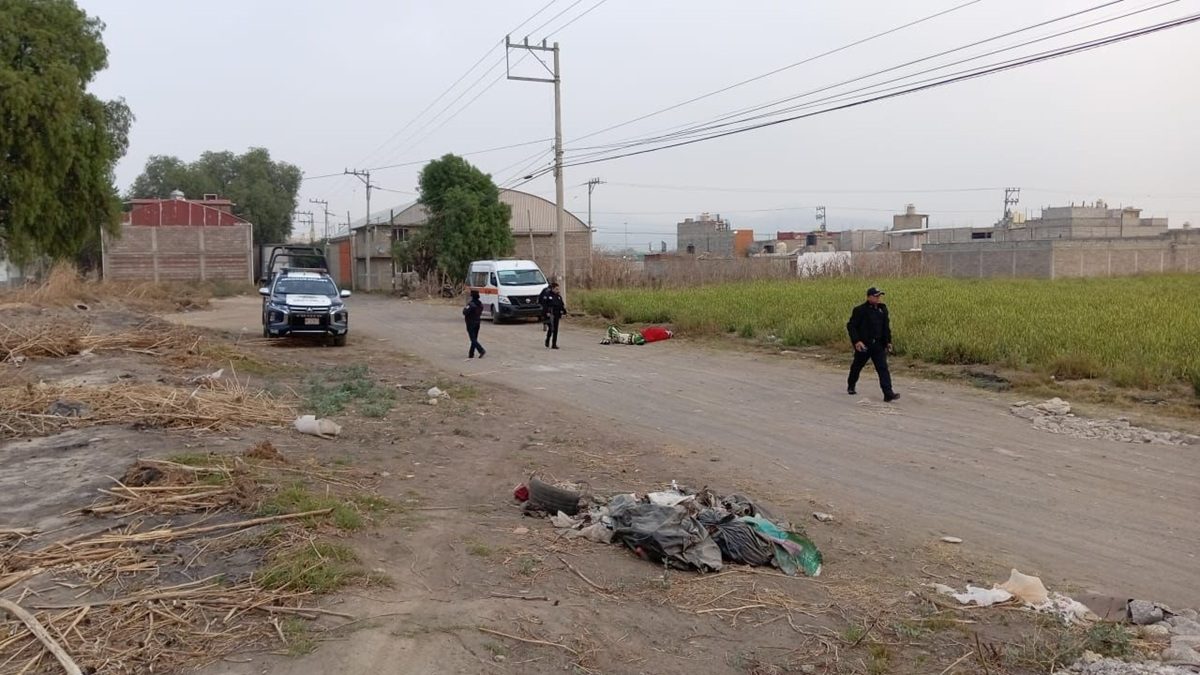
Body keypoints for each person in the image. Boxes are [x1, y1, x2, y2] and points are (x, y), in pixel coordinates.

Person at [846, 287, 899, 402]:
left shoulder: (882, 309)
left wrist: (888, 341)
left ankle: (888, 393)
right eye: (876, 296)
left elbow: (886, 327)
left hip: (878, 345)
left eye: (879, 296)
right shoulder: (860, 310)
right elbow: (851, 326)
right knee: (857, 366)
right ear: (869, 297)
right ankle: (851, 385)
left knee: (883, 368)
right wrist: (856, 341)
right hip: (864, 345)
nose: (878, 298)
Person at [463, 290, 486, 359]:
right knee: (474, 338)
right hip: (477, 322)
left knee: (472, 339)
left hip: (470, 323)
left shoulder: (471, 304)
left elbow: (464, 312)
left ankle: (481, 350)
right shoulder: (480, 304)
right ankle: (471, 353)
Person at [543, 283, 566, 349]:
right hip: (550, 314)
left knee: (556, 329)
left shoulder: (558, 296)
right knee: (551, 328)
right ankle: (547, 339)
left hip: (557, 314)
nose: (558, 290)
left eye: (558, 289)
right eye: (556, 289)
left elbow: (561, 305)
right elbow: (544, 305)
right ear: (552, 289)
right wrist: (546, 312)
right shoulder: (547, 295)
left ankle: (554, 344)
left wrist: (564, 311)